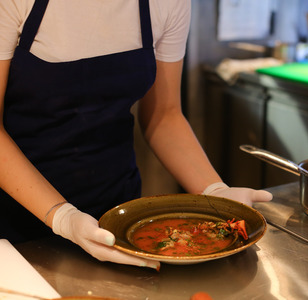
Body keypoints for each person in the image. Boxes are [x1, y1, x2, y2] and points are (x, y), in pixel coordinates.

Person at [0, 0, 272, 270]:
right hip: (16, 218)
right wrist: (64, 218)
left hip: (117, 215)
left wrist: (216, 192)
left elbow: (164, 115)